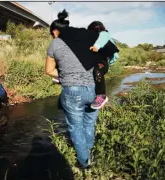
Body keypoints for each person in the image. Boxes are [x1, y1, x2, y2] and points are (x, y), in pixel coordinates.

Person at [45, 10, 103, 169]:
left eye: (52, 33)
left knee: (76, 128)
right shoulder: (85, 38)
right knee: (89, 123)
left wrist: (65, 74)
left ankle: (85, 163)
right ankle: (90, 153)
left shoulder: (56, 43)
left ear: (55, 31)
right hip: (92, 89)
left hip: (72, 91)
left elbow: (49, 70)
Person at [87, 21, 119, 109]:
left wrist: (96, 46)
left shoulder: (104, 34)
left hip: (102, 63)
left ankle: (101, 96)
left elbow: (102, 39)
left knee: (97, 71)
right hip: (94, 62)